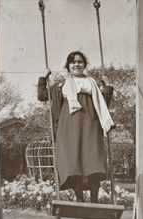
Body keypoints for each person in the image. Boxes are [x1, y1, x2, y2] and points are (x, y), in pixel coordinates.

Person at [38, 51, 115, 203]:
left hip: (90, 126)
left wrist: (108, 86)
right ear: (68, 66)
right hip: (69, 127)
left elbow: (103, 103)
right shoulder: (61, 85)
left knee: (92, 161)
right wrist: (43, 77)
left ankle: (94, 199)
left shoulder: (92, 83)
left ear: (85, 65)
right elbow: (42, 96)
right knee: (73, 161)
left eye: (80, 62)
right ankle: (79, 198)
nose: (77, 64)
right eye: (73, 62)